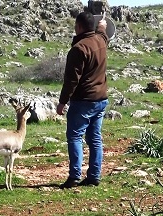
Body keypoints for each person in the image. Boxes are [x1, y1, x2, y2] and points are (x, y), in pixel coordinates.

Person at [56, 11, 109, 189]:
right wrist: (102, 24)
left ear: (78, 27)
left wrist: (62, 102)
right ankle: (94, 176)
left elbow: (71, 80)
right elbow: (102, 31)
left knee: (75, 137)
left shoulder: (79, 49)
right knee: (95, 138)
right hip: (101, 99)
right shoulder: (101, 40)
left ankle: (74, 177)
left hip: (83, 101)